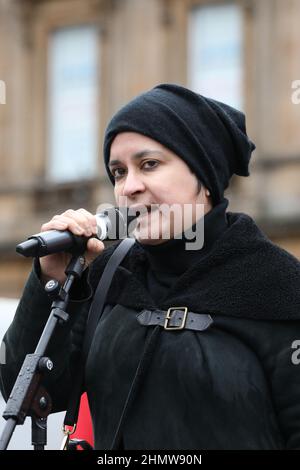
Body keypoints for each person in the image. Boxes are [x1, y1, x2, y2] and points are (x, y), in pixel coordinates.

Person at [1, 83, 300, 450]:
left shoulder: (280, 284)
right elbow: (26, 390)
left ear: (204, 178)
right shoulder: (108, 273)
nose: (128, 187)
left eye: (149, 165)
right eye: (118, 172)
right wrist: (50, 280)